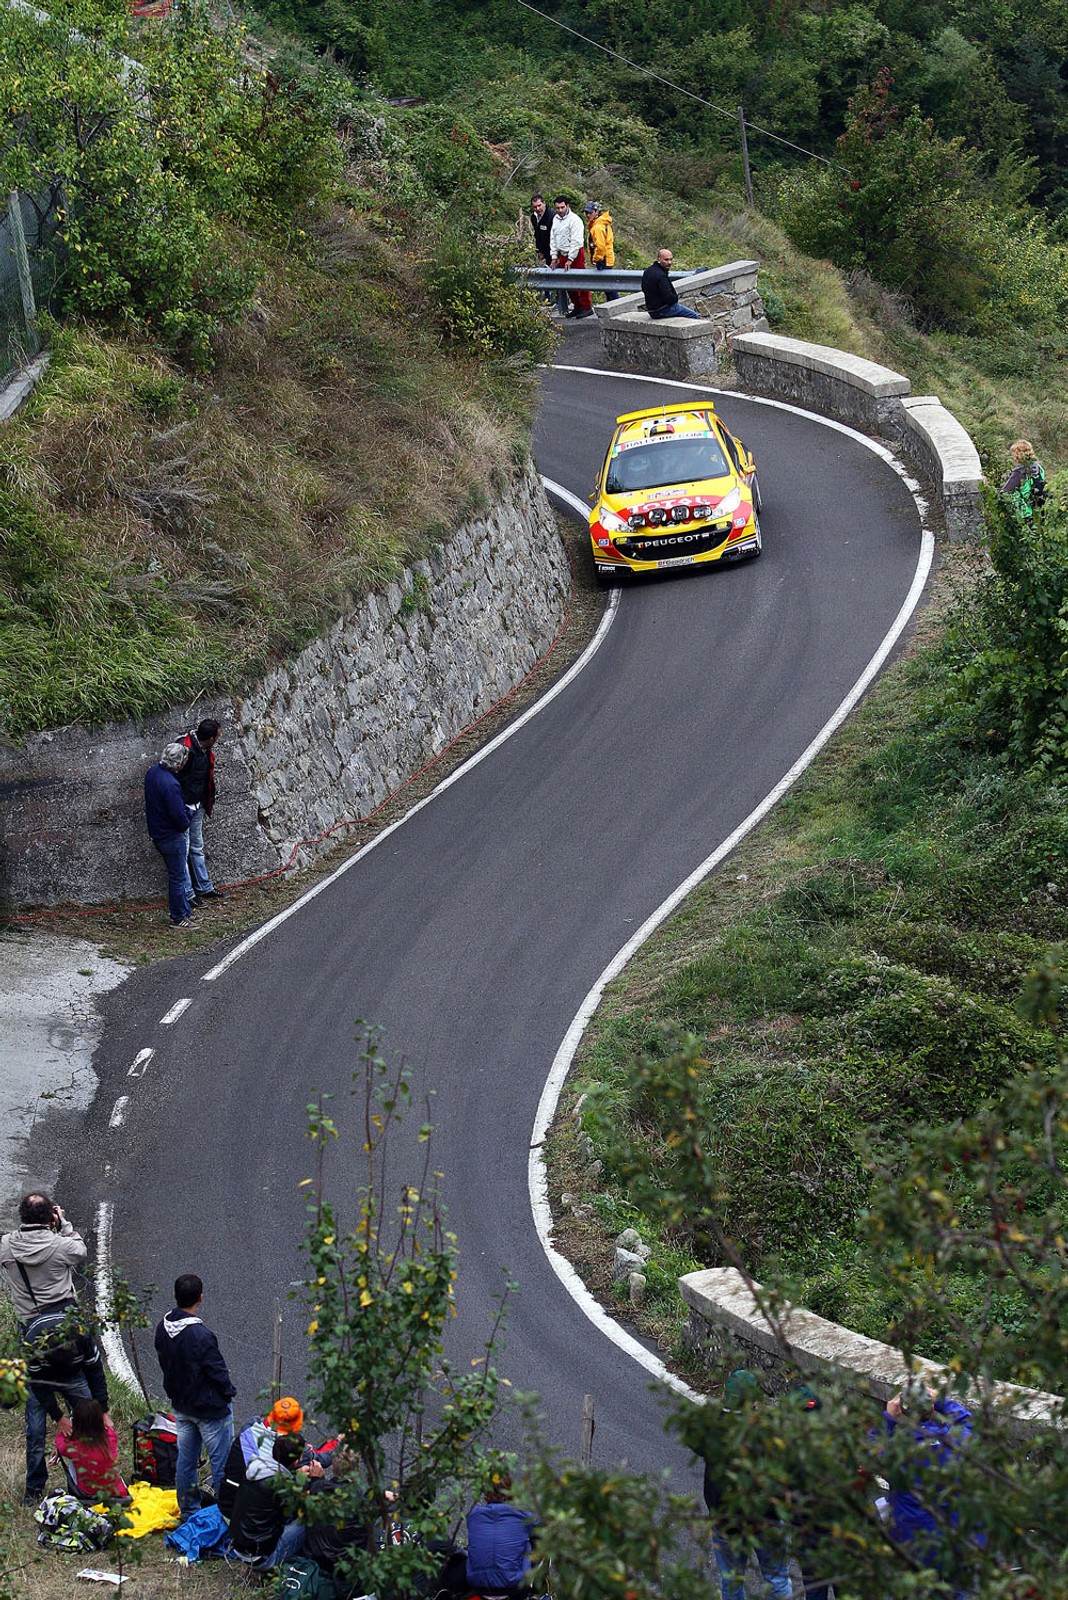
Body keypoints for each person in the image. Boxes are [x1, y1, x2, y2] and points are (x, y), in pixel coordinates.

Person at [881, 1377, 980, 1594]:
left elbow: (870, 1453)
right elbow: (970, 1423)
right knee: (958, 1588)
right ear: (932, 1409)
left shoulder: (896, 1451)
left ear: (903, 1413)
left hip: (914, 1538)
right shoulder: (958, 1439)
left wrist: (888, 1418)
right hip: (954, 1534)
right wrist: (942, 1400)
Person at [703, 1370, 792, 1600]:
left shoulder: (711, 1429)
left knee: (731, 1581)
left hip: (726, 1522)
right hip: (765, 1520)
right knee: (777, 1579)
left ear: (725, 1397)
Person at [154, 1273, 236, 1517]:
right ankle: (224, 1514)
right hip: (209, 1409)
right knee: (221, 1465)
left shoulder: (163, 1326)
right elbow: (218, 1372)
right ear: (200, 1297)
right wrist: (228, 1393)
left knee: (186, 1463)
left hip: (181, 1406)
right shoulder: (201, 1335)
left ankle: (189, 1511)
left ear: (174, 1295)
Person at [21, 1300, 109, 1504]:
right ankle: (34, 1486)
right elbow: (38, 1387)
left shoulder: (83, 1336)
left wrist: (102, 1410)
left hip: (74, 1376)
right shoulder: (33, 1345)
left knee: (91, 1421)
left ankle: (90, 1480)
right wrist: (59, 1417)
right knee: (35, 1431)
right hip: (40, 1379)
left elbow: (96, 1374)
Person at [230, 1431, 321, 1569]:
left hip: (240, 1546)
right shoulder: (283, 1487)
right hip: (262, 1557)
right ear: (296, 1461)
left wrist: (294, 1476)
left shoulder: (255, 1469)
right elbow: (309, 1505)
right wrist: (315, 1480)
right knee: (313, 1517)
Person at [219, 1395, 307, 1521]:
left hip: (225, 1504)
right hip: (246, 1517)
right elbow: (320, 1458)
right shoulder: (288, 1449)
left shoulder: (249, 1430)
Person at [1, 1192, 86, 1322]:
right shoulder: (62, 1246)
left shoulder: (6, 1245)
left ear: (22, 1215)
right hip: (65, 1318)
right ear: (51, 1217)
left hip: (29, 1322)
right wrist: (63, 1225)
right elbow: (81, 1250)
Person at [144, 742, 194, 927]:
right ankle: (179, 916)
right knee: (178, 877)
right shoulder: (171, 784)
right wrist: (188, 815)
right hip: (172, 835)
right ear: (178, 763)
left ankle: (185, 910)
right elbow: (178, 817)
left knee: (176, 875)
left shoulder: (153, 773)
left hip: (158, 833)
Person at [464, 1472, 537, 1598]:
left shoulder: (473, 1515)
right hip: (513, 1584)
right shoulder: (522, 1515)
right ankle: (536, 1590)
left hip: (478, 1584)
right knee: (531, 1543)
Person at [178, 717, 225, 905]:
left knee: (196, 847)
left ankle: (204, 887)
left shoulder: (205, 750)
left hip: (197, 805)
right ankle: (189, 894)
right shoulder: (185, 750)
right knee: (184, 850)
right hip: (184, 808)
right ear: (211, 738)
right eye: (218, 736)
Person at [56, 1397, 129, 1501]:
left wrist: (70, 1430)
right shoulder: (111, 1436)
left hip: (88, 1493)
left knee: (71, 1458)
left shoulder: (72, 1445)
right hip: (117, 1493)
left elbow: (59, 1441)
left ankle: (77, 1491)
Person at [549, 196, 593, 320]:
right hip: (562, 253)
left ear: (567, 206)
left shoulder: (575, 220)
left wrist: (571, 258)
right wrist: (554, 256)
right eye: (557, 208)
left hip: (575, 253)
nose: (560, 210)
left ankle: (586, 306)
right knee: (568, 282)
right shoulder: (556, 220)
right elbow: (553, 239)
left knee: (580, 280)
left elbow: (577, 241)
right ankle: (577, 306)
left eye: (562, 207)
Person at [641, 249, 701, 320]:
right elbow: (668, 297)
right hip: (663, 310)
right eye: (666, 260)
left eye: (670, 259)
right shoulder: (661, 275)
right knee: (695, 316)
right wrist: (675, 297)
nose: (669, 262)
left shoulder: (648, 271)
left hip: (652, 311)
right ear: (659, 259)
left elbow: (643, 288)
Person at [999, 439, 1047, 521]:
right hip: (1041, 508)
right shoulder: (1038, 467)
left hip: (1026, 512)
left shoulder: (1019, 473)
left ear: (1017, 454)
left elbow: (1005, 491)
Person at [585, 202, 619, 302]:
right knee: (609, 288)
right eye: (586, 213)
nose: (588, 215)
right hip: (608, 258)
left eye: (590, 213)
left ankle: (615, 309)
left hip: (603, 260)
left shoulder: (597, 227)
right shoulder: (602, 223)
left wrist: (596, 259)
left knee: (610, 288)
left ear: (596, 212)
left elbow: (600, 247)